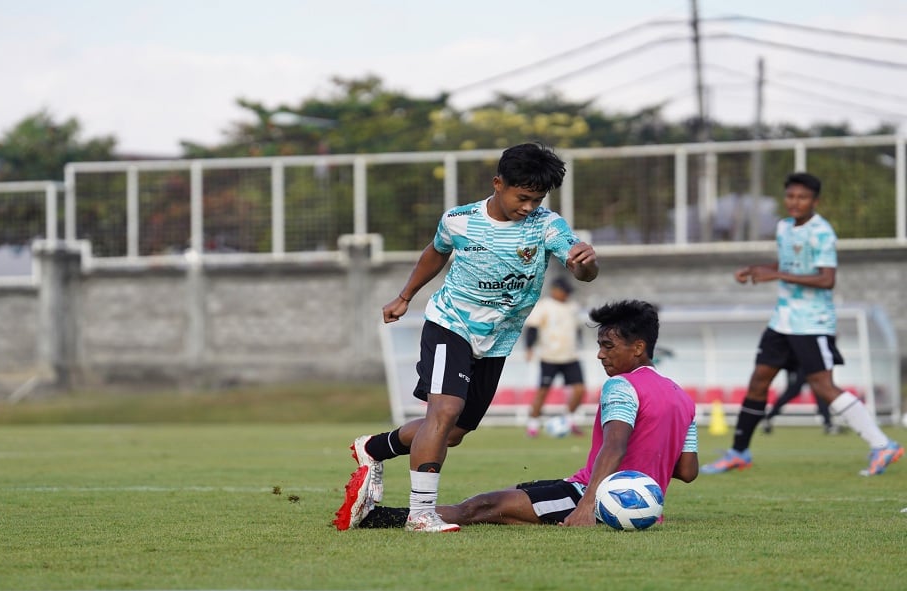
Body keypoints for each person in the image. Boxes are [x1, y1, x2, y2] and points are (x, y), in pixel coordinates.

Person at [335, 142, 599, 533]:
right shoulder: (459, 220)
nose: (528, 207)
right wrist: (405, 296)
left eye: (537, 199)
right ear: (498, 183)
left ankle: (373, 447)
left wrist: (586, 264)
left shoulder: (547, 225)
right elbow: (435, 252)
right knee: (444, 413)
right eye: (522, 197)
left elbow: (581, 269)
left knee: (453, 432)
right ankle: (421, 514)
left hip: (497, 339)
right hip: (451, 324)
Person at [334, 300, 698, 530]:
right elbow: (687, 471)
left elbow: (615, 447)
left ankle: (375, 519)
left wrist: (587, 506)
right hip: (631, 502)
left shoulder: (622, 386)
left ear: (638, 347)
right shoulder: (683, 398)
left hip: (592, 497)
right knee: (514, 495)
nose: (601, 355)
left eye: (608, 346)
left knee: (483, 507)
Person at [701, 172, 901, 477]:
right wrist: (758, 269)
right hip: (783, 320)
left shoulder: (822, 232)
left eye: (803, 197)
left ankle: (882, 444)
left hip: (812, 322)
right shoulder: (784, 227)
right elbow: (788, 266)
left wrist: (777, 275)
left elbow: (826, 278)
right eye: (791, 196)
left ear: (815, 201)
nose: (795, 202)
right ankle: (738, 452)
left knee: (824, 386)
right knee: (758, 382)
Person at [523, 276, 586, 437]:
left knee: (579, 390)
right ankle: (533, 425)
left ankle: (569, 419)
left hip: (570, 356)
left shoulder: (573, 307)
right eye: (564, 291)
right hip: (549, 356)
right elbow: (533, 328)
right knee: (543, 391)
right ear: (555, 290)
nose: (566, 295)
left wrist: (579, 344)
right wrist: (529, 348)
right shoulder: (544, 306)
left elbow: (577, 329)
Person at [761, 367, 841, 435]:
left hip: (811, 367)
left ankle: (828, 424)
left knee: (820, 394)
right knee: (791, 393)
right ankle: (768, 417)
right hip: (797, 367)